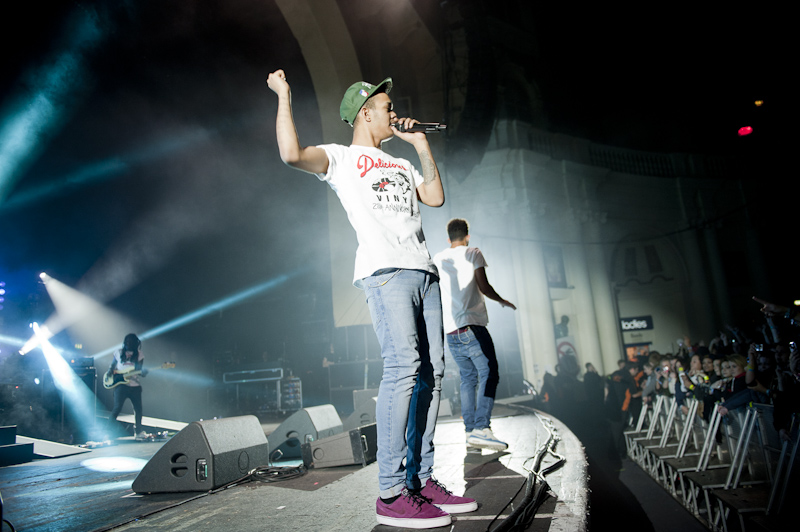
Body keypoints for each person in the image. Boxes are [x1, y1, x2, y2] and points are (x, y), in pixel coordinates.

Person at [266, 69, 476, 529]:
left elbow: (436, 197)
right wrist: (284, 95)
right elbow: (290, 154)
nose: (394, 112)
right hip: (386, 273)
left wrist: (421, 145)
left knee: (433, 375)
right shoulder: (342, 158)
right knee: (403, 370)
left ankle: (419, 480)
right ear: (365, 112)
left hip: (424, 273)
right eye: (386, 107)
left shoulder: (401, 162)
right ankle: (390, 491)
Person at [433, 218, 516, 451]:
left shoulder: (438, 258)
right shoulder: (473, 252)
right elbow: (484, 286)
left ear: (448, 238)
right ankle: (482, 428)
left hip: (451, 331)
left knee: (468, 378)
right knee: (490, 373)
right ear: (467, 235)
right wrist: (502, 301)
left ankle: (470, 432)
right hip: (472, 327)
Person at [106, 333, 148, 439]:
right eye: (127, 342)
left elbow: (139, 370)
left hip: (135, 386)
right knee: (117, 408)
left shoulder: (139, 354)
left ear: (135, 343)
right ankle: (107, 432)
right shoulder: (119, 352)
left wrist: (143, 372)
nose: (128, 344)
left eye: (131, 342)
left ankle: (138, 432)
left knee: (138, 409)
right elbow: (112, 366)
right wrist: (109, 374)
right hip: (121, 385)